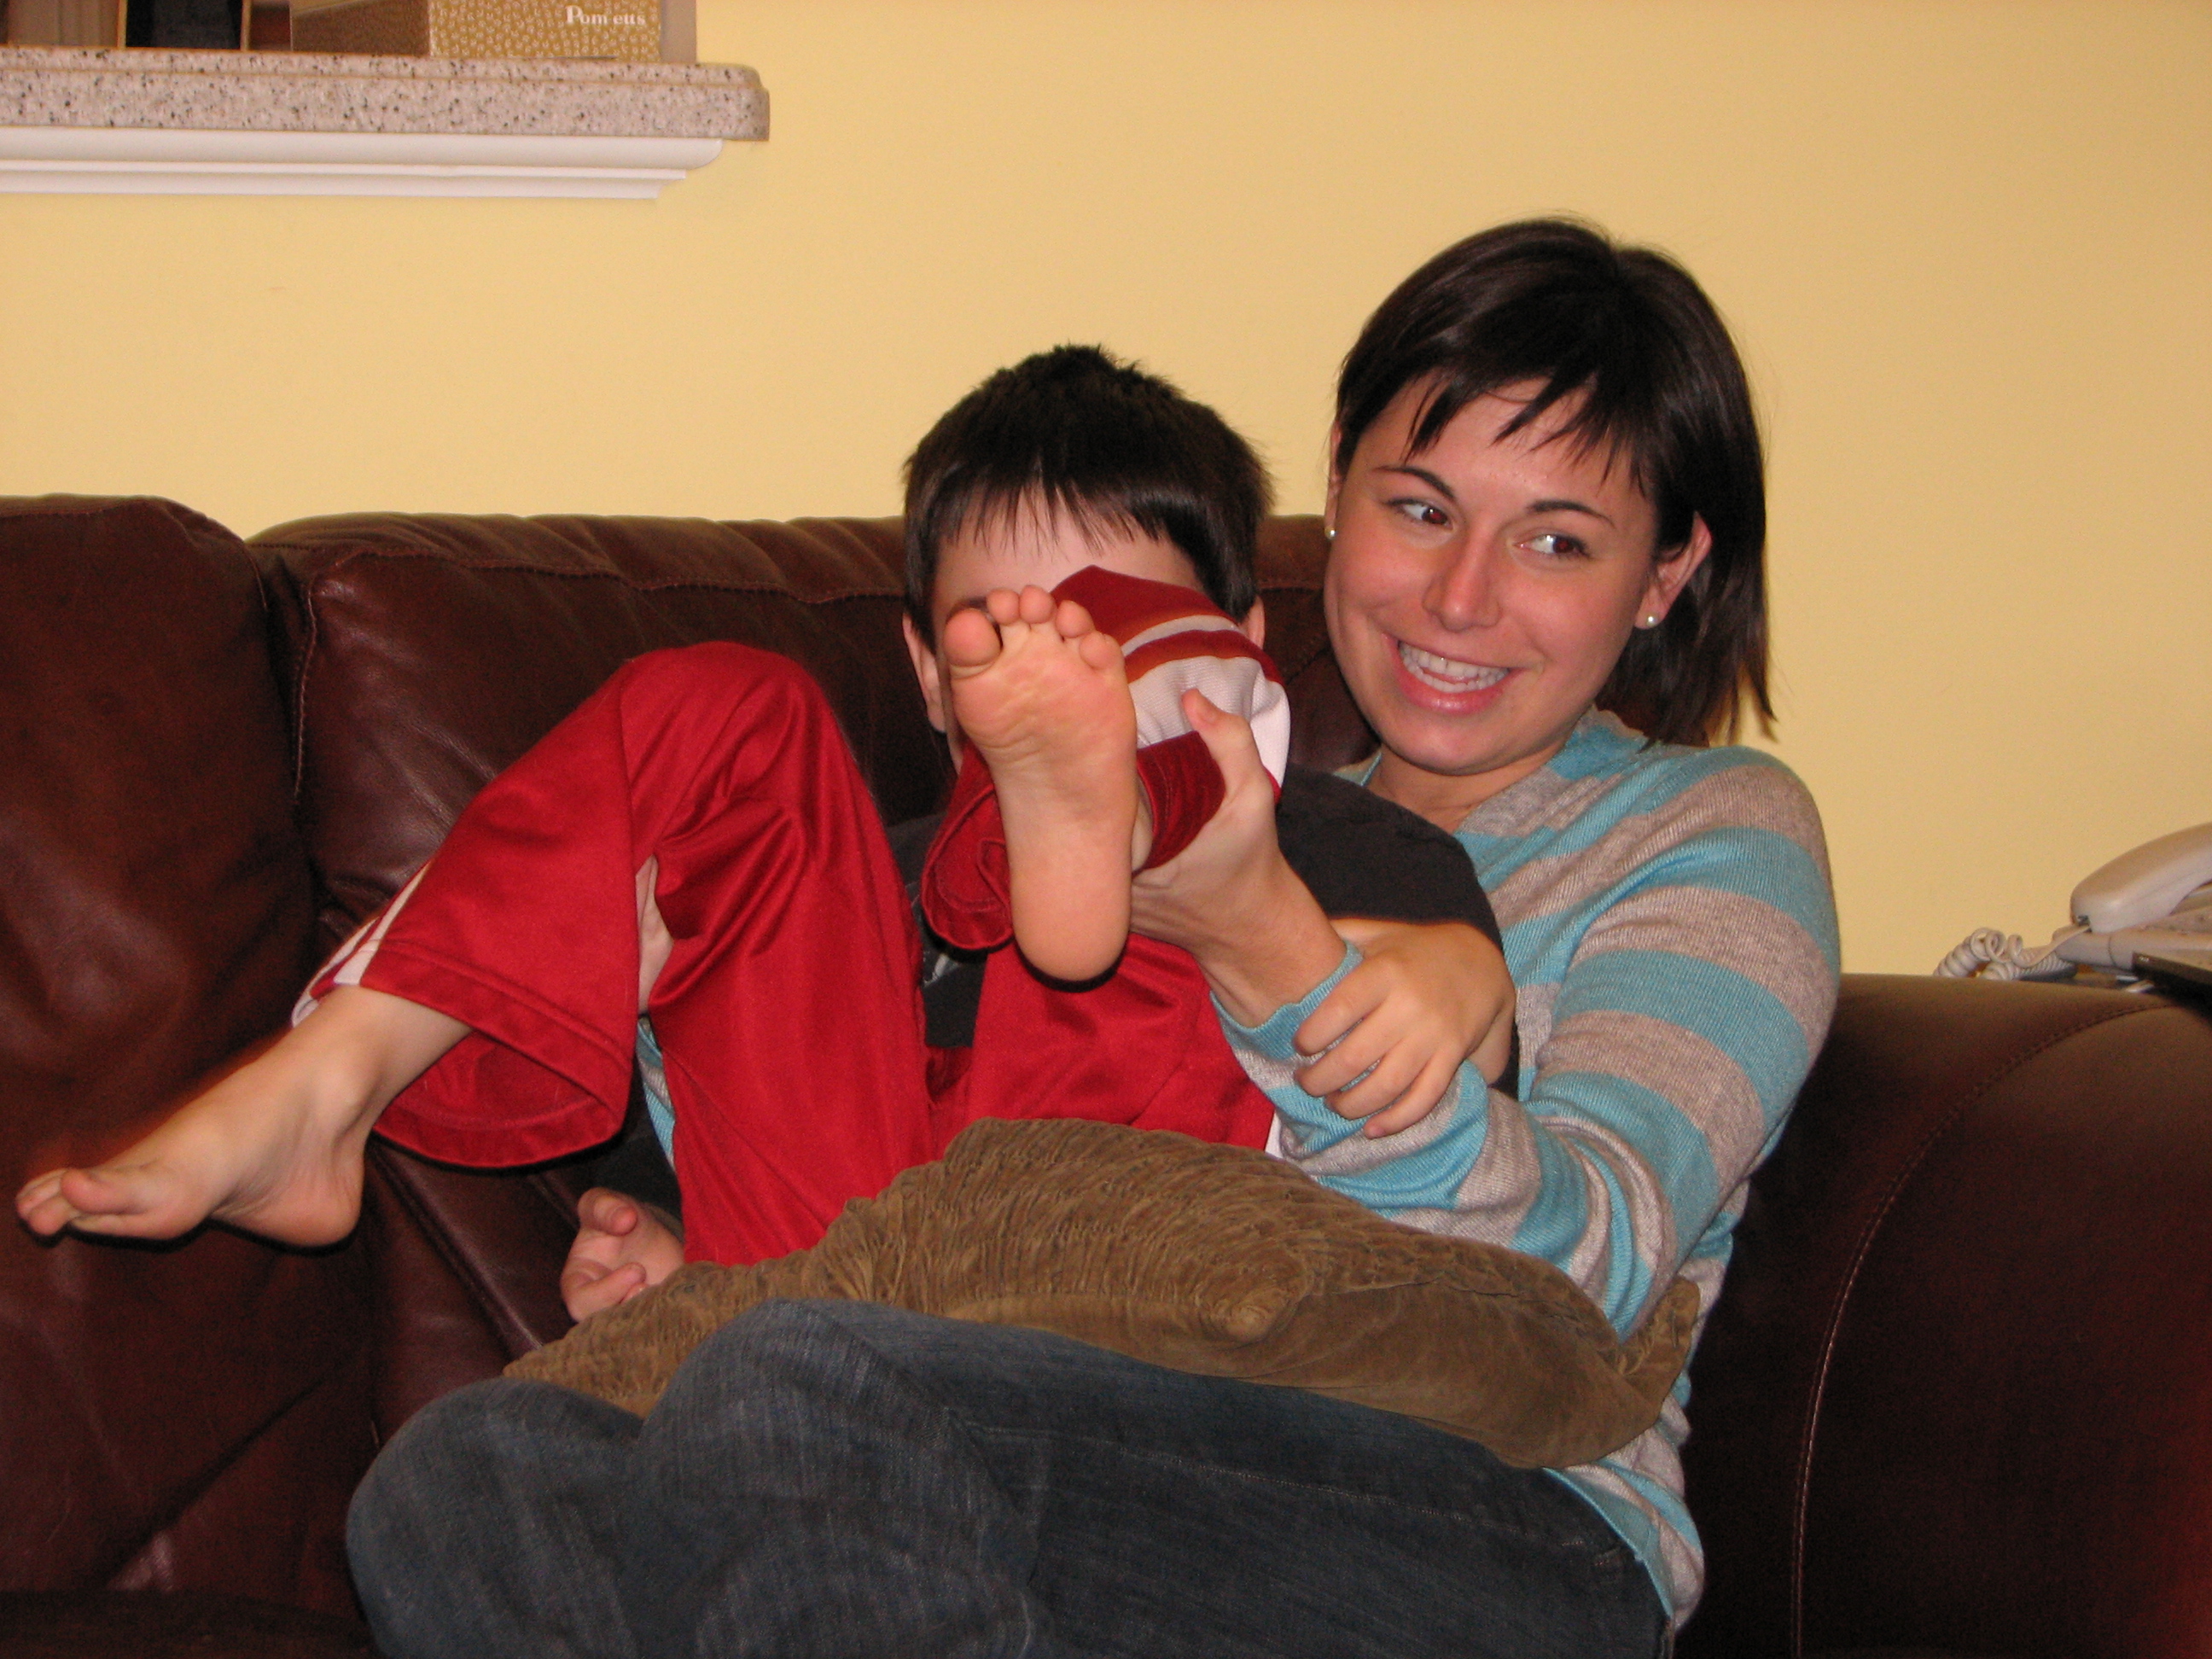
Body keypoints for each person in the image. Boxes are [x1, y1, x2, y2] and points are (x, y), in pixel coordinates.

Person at [339, 218, 1833, 1659]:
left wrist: (1284, 959)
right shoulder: (1185, 811)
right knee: (468, 1478)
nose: (1461, 597)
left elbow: (1592, 1273)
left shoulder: (1710, 831)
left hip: (1498, 1513)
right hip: (1063, 1416)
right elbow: (904, 1162)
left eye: (1557, 541)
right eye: (1422, 510)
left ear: (1666, 573)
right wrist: (688, 1175)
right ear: (1336, 489)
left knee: (809, 1388)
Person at [14, 344, 1507, 1288]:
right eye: (998, 637)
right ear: (925, 674)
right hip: (854, 1278)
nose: (1043, 665)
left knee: (1195, 835)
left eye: (1102, 632)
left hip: (1118, 1278)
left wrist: (1456, 983)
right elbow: (717, 1137)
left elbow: (1447, 1095)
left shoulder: (1345, 840)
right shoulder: (848, 879)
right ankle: (322, 1084)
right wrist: (663, 1242)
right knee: (723, 705)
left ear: (1241, 637)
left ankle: (1110, 828)